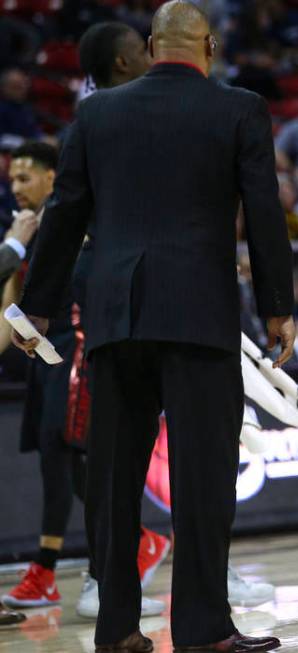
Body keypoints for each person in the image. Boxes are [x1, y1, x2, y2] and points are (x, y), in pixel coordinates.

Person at [13, 3, 295, 652]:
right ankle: (204, 629)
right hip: (200, 314)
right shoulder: (238, 108)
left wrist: (38, 304)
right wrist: (277, 305)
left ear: (150, 45)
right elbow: (263, 213)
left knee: (113, 483)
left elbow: (63, 214)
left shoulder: (95, 113)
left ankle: (117, 631)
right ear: (209, 48)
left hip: (117, 316)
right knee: (202, 479)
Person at [0, 140, 167, 620]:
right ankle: (117, 550)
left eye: (25, 177)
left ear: (54, 177)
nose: (17, 187)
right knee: (62, 463)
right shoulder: (27, 228)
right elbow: (14, 316)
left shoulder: (76, 218)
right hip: (42, 356)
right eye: (12, 179)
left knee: (70, 457)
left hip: (79, 354)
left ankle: (76, 570)